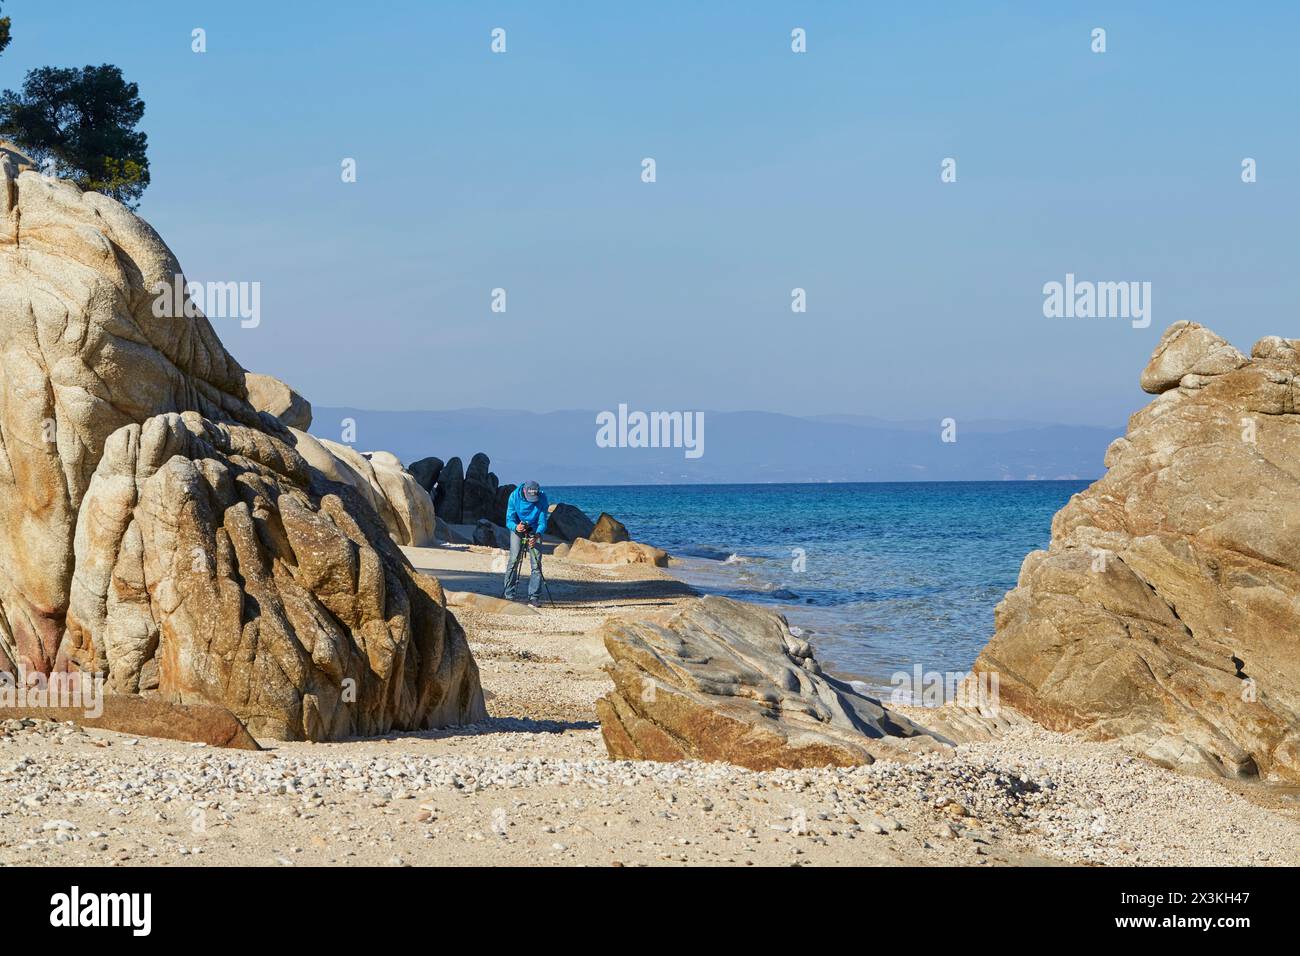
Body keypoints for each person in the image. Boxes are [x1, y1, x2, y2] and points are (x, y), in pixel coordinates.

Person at [503, 480, 549, 605]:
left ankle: (534, 597)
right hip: (518, 528)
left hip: (535, 530)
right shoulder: (514, 496)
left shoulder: (542, 498)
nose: (532, 500)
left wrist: (537, 535)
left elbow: (543, 522)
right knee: (513, 560)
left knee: (536, 564)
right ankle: (509, 594)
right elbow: (509, 520)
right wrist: (516, 527)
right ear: (524, 491)